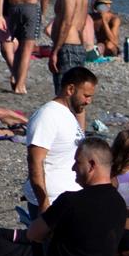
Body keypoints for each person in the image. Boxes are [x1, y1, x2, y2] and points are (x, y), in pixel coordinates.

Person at [23, 65, 96, 224]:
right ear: (70, 89)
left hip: (68, 198)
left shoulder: (68, 115)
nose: (89, 101)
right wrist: (43, 201)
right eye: (86, 95)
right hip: (52, 201)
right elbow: (35, 160)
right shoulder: (47, 115)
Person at [48, 0, 90, 95]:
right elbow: (82, 23)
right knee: (77, 96)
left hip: (67, 48)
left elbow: (67, 22)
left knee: (64, 94)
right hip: (78, 46)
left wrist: (55, 50)